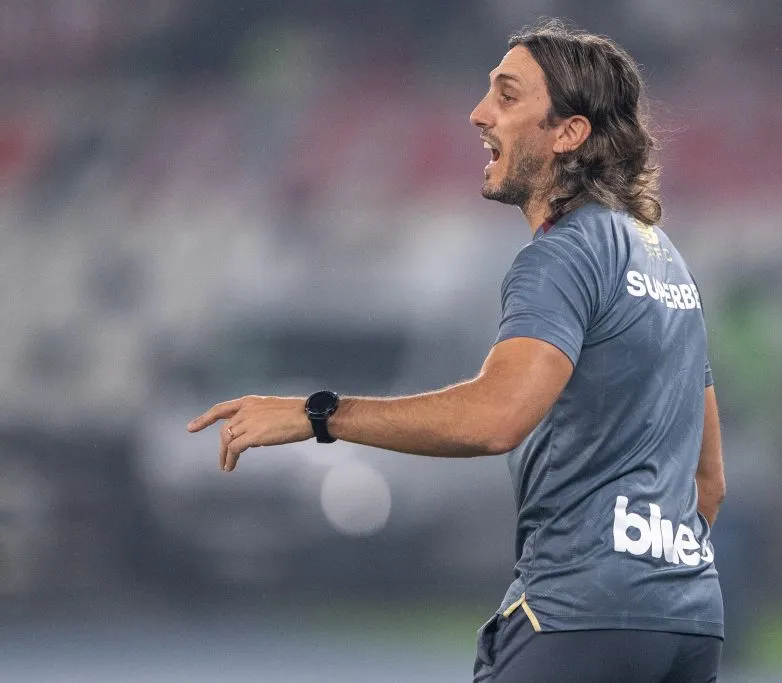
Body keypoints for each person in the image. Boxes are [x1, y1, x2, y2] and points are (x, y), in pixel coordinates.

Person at [187, 19, 725, 683]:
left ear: (568, 132)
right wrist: (648, 573)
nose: (478, 113)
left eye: (506, 95)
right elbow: (708, 481)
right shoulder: (666, 262)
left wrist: (318, 414)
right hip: (687, 619)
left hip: (583, 614)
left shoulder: (561, 257)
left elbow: (495, 418)